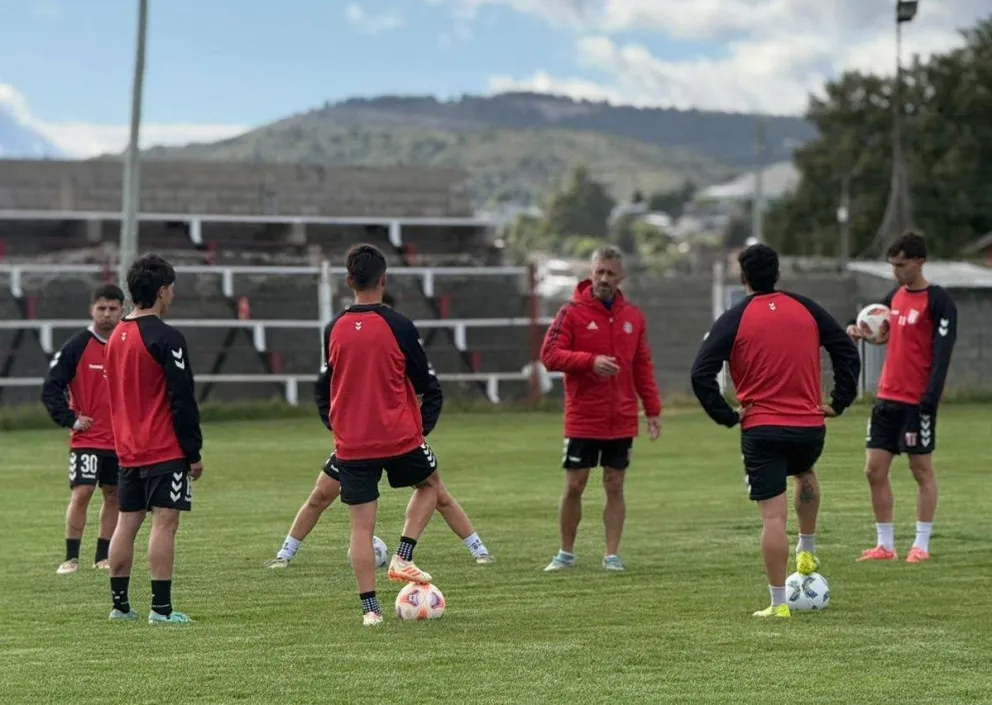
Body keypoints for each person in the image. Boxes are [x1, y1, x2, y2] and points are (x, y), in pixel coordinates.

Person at [690, 243, 860, 618]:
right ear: (777, 273)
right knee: (805, 473)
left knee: (772, 517)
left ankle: (779, 603)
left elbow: (700, 373)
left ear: (743, 277)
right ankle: (807, 548)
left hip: (762, 427)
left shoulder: (735, 317)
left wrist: (728, 415)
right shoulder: (807, 309)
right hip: (809, 426)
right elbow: (846, 350)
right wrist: (840, 399)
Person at [264, 292, 494, 569]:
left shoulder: (402, 341)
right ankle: (285, 555)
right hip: (357, 440)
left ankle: (478, 550)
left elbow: (431, 388)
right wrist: (335, 424)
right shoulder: (345, 340)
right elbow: (323, 386)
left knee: (435, 490)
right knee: (322, 494)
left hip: (397, 438)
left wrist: (419, 430)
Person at [319, 243, 442, 627]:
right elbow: (423, 381)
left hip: (353, 441)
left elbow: (328, 382)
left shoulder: (333, 328)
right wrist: (421, 426)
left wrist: (335, 422)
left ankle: (370, 611)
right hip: (398, 436)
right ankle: (403, 554)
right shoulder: (400, 326)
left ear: (349, 280)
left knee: (361, 526)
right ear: (383, 280)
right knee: (430, 486)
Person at [539, 245, 662, 573]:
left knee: (615, 484)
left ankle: (611, 555)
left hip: (621, 417)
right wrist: (589, 362)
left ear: (620, 276)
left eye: (610, 273)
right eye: (599, 272)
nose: (604, 279)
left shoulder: (633, 317)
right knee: (575, 484)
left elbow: (642, 367)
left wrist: (652, 410)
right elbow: (549, 355)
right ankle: (566, 553)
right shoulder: (571, 312)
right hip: (583, 416)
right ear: (591, 273)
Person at [103, 255, 203, 625]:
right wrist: (192, 452)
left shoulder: (116, 337)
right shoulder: (166, 336)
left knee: (126, 523)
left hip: (128, 449)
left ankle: (120, 606)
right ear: (162, 290)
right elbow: (182, 399)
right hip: (163, 448)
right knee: (165, 523)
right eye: (171, 287)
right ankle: (161, 609)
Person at [847, 231, 957, 564]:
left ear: (920, 262)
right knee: (874, 470)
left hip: (916, 400)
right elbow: (877, 326)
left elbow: (942, 353)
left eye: (902, 265)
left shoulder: (939, 301)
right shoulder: (894, 297)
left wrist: (931, 394)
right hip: (886, 397)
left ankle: (921, 544)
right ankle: (886, 545)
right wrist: (857, 329)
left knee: (920, 469)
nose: (897, 272)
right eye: (893, 266)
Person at [42, 284, 125, 575]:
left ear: (122, 311)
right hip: (87, 438)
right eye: (101, 308)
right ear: (92, 310)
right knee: (83, 491)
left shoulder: (126, 343)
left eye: (113, 309)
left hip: (120, 440)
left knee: (113, 494)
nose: (106, 314)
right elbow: (51, 387)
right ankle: (71, 558)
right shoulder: (77, 345)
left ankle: (102, 556)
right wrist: (70, 418)